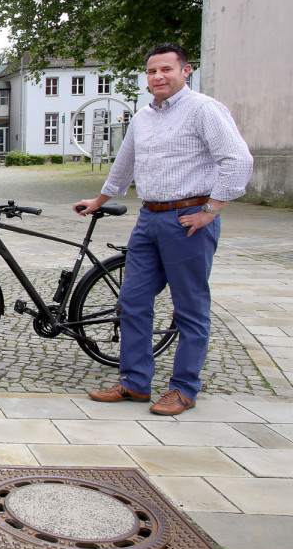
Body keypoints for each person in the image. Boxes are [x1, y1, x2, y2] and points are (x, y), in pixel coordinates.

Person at [75, 43, 253, 416]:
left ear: (185, 71)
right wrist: (99, 201)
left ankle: (184, 388)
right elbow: (123, 166)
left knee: (189, 308)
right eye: (152, 71)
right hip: (149, 218)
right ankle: (135, 382)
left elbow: (237, 160)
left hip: (188, 219)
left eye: (166, 70)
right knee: (132, 301)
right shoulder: (142, 117)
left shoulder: (203, 110)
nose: (158, 77)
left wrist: (212, 210)